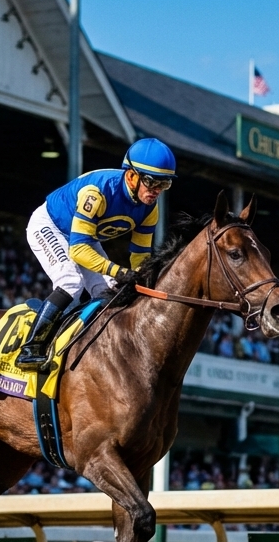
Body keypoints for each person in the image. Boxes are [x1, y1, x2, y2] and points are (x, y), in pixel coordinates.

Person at [16, 138, 175, 369]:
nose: (156, 191)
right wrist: (119, 271)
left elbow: (140, 255)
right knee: (70, 282)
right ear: (131, 175)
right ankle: (30, 348)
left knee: (108, 292)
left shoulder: (150, 208)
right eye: (151, 182)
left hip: (84, 237)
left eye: (164, 184)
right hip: (51, 226)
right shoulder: (97, 192)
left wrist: (143, 279)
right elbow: (78, 250)